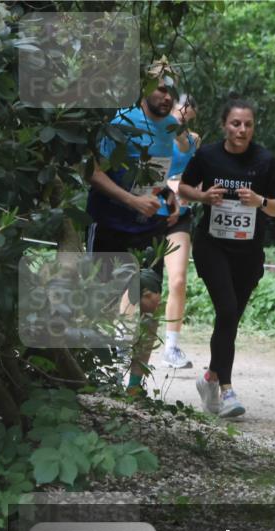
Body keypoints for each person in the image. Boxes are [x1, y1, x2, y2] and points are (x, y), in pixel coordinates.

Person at [178, 97, 275, 418]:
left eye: (248, 125)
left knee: (230, 319)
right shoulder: (208, 155)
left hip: (248, 252)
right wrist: (203, 196)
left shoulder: (265, 161)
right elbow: (183, 188)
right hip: (212, 246)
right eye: (236, 124)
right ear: (224, 125)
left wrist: (260, 200)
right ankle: (226, 390)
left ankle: (210, 378)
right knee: (226, 309)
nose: (242, 130)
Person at [86, 58, 181, 395]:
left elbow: (153, 174)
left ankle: (135, 387)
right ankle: (96, 375)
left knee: (150, 301)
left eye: (171, 92)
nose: (166, 97)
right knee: (101, 305)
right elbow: (93, 172)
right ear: (144, 88)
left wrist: (168, 194)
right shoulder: (121, 121)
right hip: (109, 224)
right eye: (160, 89)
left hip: (147, 229)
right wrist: (132, 201)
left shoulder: (171, 126)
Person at [160, 94, 201, 369]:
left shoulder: (194, 140)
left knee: (177, 280)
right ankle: (121, 343)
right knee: (137, 282)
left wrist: (191, 191)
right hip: (149, 213)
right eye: (180, 110)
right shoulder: (153, 133)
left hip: (180, 218)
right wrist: (170, 187)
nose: (182, 116)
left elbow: (194, 175)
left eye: (188, 113)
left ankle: (171, 348)